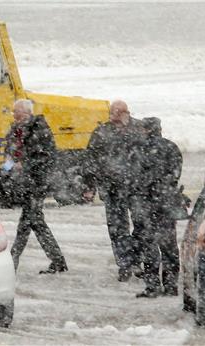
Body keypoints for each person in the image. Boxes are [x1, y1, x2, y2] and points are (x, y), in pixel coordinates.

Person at [83, 100, 148, 283]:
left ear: (127, 112)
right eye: (113, 111)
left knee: (141, 224)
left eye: (120, 112)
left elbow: (149, 153)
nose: (115, 115)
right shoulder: (102, 131)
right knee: (117, 228)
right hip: (112, 188)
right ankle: (125, 264)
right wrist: (90, 186)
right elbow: (90, 160)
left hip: (136, 187)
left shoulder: (138, 129)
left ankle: (136, 258)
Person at [5, 99, 68, 274]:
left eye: (16, 112)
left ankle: (12, 261)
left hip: (36, 183)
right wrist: (7, 168)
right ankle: (58, 260)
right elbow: (8, 154)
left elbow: (46, 157)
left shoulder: (39, 129)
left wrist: (24, 165)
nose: (14, 115)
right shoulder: (14, 130)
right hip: (21, 183)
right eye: (13, 112)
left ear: (26, 113)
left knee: (27, 222)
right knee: (35, 222)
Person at [138, 117, 183, 296]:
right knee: (169, 246)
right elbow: (175, 174)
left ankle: (152, 286)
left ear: (146, 130)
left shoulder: (140, 149)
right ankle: (171, 285)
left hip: (147, 203)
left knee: (149, 245)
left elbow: (134, 177)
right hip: (167, 202)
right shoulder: (171, 147)